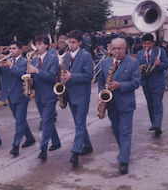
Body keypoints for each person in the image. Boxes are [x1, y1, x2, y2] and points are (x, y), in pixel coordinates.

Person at [98, 37, 141, 174]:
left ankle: (123, 160)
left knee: (125, 131)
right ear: (109, 48)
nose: (116, 51)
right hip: (110, 104)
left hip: (126, 104)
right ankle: (124, 151)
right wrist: (101, 95)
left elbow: (136, 82)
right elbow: (100, 81)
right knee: (116, 130)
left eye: (119, 48)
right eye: (113, 48)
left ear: (125, 48)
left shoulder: (133, 62)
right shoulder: (105, 63)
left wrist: (119, 85)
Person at [0, 40, 36, 157]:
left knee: (19, 121)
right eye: (10, 48)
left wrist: (11, 66)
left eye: (14, 48)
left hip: (21, 95)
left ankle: (15, 146)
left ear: (20, 50)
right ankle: (30, 138)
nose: (11, 51)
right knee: (20, 120)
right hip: (10, 96)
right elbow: (0, 74)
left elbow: (23, 75)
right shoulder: (7, 61)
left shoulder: (25, 61)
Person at [62, 30, 94, 165]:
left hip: (82, 96)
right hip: (70, 95)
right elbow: (64, 74)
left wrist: (72, 76)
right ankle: (88, 145)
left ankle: (75, 152)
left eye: (74, 42)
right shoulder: (66, 56)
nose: (71, 45)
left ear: (80, 42)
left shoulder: (86, 56)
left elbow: (89, 75)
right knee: (78, 123)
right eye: (69, 42)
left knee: (79, 123)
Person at [27, 35, 60, 161]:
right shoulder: (34, 60)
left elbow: (52, 77)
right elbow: (36, 79)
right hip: (39, 96)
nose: (37, 46)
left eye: (40, 44)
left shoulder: (53, 58)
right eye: (36, 44)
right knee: (48, 120)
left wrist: (37, 71)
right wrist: (31, 82)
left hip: (50, 96)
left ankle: (43, 149)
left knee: (46, 121)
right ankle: (56, 142)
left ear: (46, 45)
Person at [136, 34, 168, 137]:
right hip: (146, 83)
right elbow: (136, 68)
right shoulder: (139, 54)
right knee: (150, 104)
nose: (147, 45)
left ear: (153, 43)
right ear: (142, 43)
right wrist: (139, 68)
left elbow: (167, 64)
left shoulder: (160, 51)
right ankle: (154, 123)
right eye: (144, 43)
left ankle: (157, 125)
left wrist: (160, 64)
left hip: (158, 83)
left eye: (149, 43)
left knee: (157, 103)